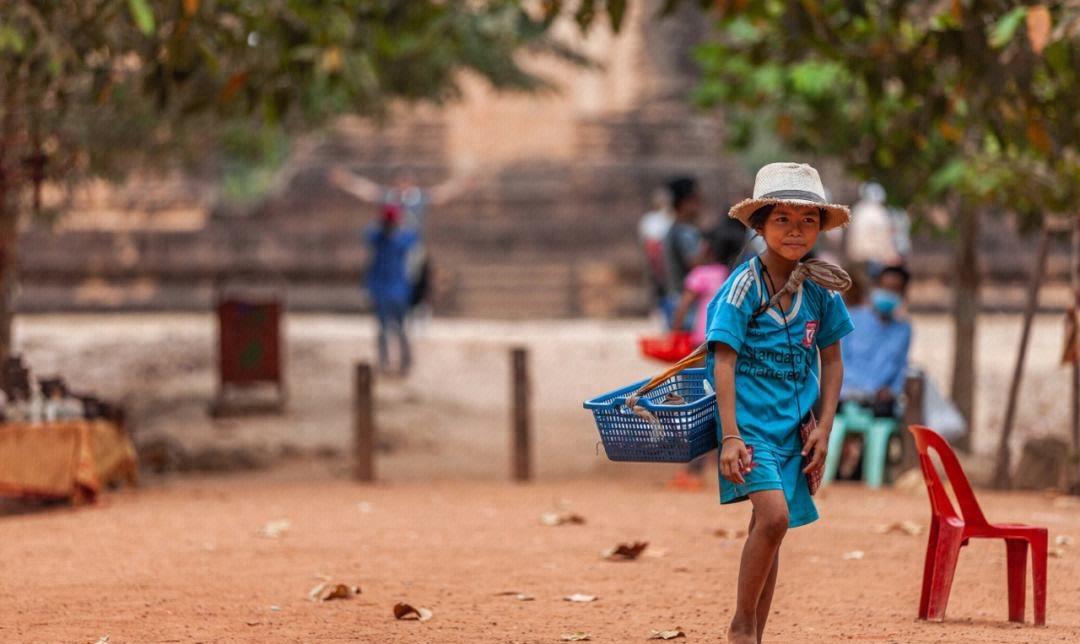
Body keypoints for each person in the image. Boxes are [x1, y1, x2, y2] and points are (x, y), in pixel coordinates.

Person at [705, 162, 853, 644]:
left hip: (795, 431)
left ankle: (754, 634)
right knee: (773, 517)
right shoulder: (744, 287)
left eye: (807, 220)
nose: (796, 230)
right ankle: (741, 627)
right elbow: (722, 363)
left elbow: (832, 363)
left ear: (819, 227)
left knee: (768, 533)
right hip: (748, 429)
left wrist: (825, 428)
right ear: (761, 225)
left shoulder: (821, 292)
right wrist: (729, 436)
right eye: (783, 219)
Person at [330, 165, 475, 311]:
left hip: (412, 245)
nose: (404, 185)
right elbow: (367, 191)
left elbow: (441, 194)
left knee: (415, 274)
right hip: (390, 246)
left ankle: (415, 304)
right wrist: (346, 180)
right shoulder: (390, 196)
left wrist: (461, 185)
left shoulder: (418, 197)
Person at [665, 223, 744, 491]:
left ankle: (692, 471)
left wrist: (674, 333)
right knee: (719, 406)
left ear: (708, 248)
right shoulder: (734, 276)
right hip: (728, 347)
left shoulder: (700, 274)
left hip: (700, 349)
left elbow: (684, 305)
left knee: (692, 408)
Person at [835, 265, 913, 479]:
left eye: (895, 290)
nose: (889, 294)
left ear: (903, 294)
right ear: (875, 287)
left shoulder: (904, 329)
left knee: (883, 419)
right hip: (845, 393)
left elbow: (900, 368)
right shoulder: (851, 318)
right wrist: (857, 388)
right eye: (885, 287)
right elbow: (839, 361)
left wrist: (892, 390)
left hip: (879, 400)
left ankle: (868, 472)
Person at [365, 204, 419, 376]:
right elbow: (415, 233)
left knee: (391, 329)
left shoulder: (380, 238)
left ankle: (392, 362)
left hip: (391, 290)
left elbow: (368, 232)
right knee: (393, 329)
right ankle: (395, 362)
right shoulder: (399, 239)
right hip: (393, 291)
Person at [661, 176, 704, 329]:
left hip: (676, 301)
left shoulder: (673, 230)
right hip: (687, 306)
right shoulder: (684, 232)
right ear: (685, 203)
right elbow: (695, 264)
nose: (700, 205)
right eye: (696, 199)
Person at [638, 187, 675, 323]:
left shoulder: (671, 219)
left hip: (667, 258)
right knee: (656, 286)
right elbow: (648, 241)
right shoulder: (650, 220)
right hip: (655, 257)